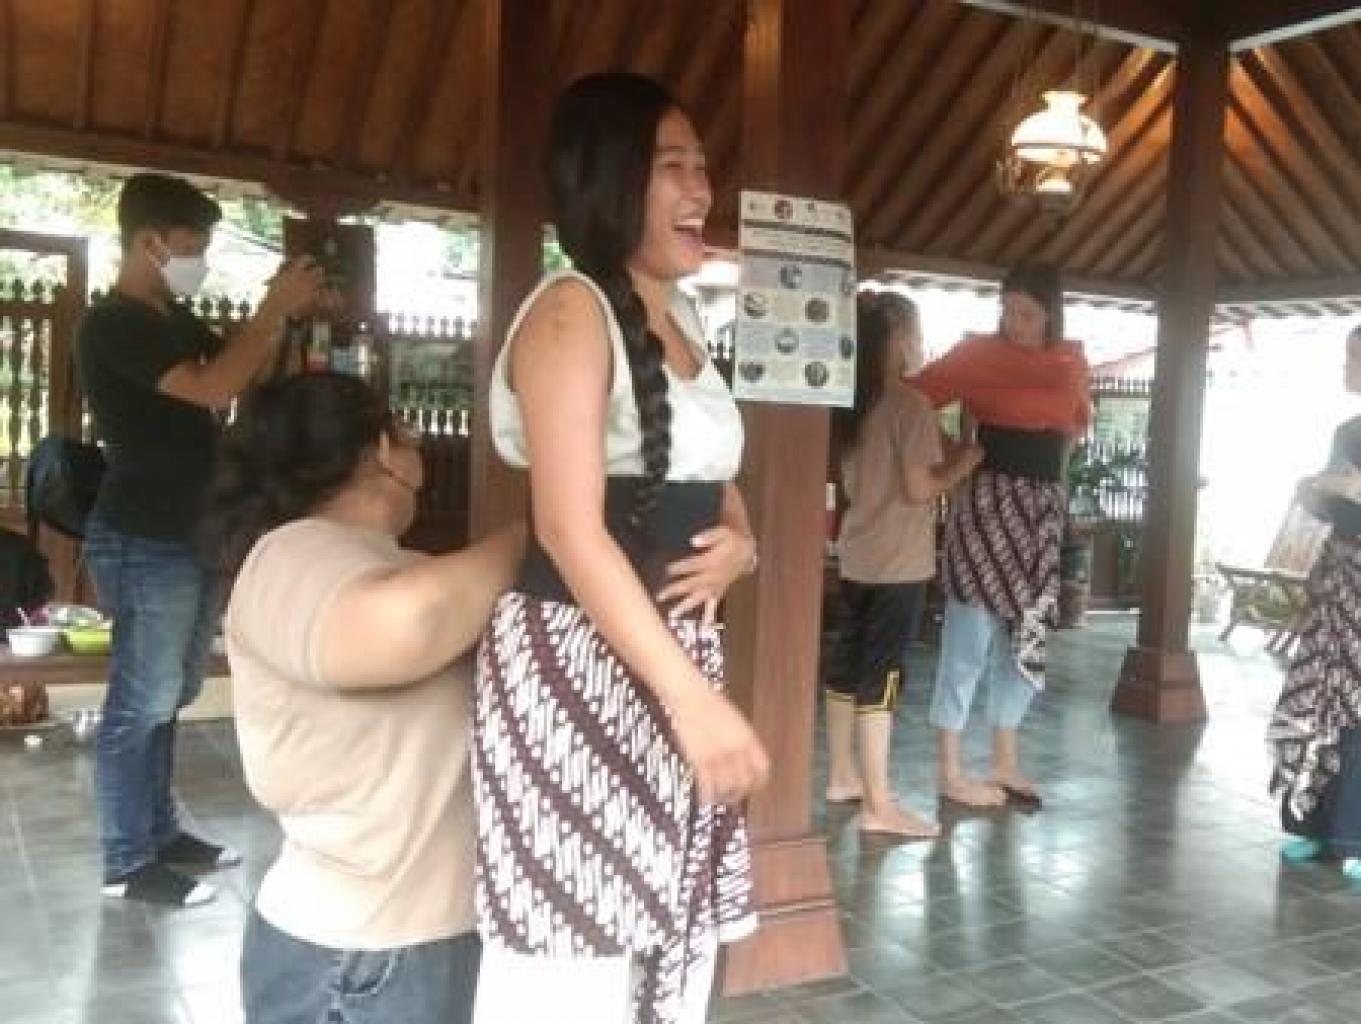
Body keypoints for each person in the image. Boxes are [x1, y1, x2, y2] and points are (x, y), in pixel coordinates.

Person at [473, 72, 770, 1024]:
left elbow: (714, 470)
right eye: (671, 166)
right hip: (576, 664)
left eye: (702, 167)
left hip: (670, 656)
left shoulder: (682, 317)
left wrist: (743, 544)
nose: (700, 189)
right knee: (574, 946)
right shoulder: (570, 311)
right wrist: (693, 702)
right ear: (608, 179)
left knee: (663, 931)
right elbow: (567, 527)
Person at [201, 372, 524, 1024]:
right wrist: (545, 530)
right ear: (382, 450)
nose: (419, 453)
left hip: (409, 941)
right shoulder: (293, 552)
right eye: (410, 437)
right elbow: (408, 626)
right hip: (356, 957)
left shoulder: (391, 563)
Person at [77, 172, 324, 906]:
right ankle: (127, 861)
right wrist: (271, 310)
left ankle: (160, 833)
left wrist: (283, 315)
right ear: (148, 242)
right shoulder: (113, 323)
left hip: (190, 532)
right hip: (142, 535)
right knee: (141, 700)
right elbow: (210, 389)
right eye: (193, 243)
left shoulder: (171, 318)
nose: (201, 258)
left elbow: (240, 376)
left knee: (171, 693)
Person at [907, 264, 1090, 811]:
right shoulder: (977, 354)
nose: (1015, 322)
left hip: (1042, 512)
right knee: (968, 636)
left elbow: (1073, 432)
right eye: (1007, 310)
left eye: (1027, 314)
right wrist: (955, 456)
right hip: (987, 504)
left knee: (1028, 636)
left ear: (1051, 313)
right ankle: (949, 768)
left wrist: (1056, 500)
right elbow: (912, 400)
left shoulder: (1072, 360)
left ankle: (1006, 761)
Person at [825, 292, 982, 837]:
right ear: (897, 338)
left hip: (857, 554)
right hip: (898, 563)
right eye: (915, 332)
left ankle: (842, 776)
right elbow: (919, 488)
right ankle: (878, 805)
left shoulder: (853, 402)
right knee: (883, 677)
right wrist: (963, 465)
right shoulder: (909, 405)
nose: (920, 343)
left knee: (848, 667)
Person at [1270, 326, 1361, 880]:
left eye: (1354, 356)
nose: (1346, 365)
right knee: (1317, 700)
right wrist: (1313, 494)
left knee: (1357, 707)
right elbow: (1334, 509)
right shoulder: (1346, 432)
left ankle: (1354, 835)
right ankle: (1314, 826)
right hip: (1337, 578)